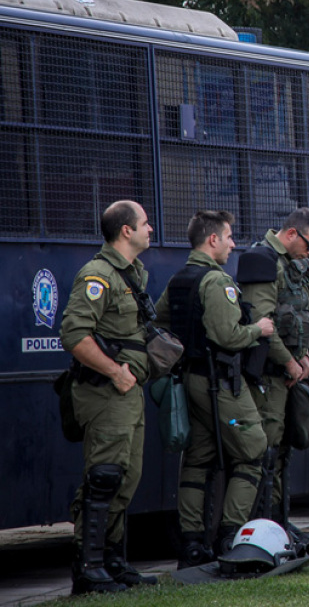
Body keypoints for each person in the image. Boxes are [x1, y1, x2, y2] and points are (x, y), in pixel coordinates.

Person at [156, 211, 275, 566]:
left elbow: (159, 322)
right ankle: (231, 536)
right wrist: (259, 329)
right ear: (213, 240)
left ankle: (192, 543)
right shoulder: (216, 281)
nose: (233, 244)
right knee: (254, 451)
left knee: (197, 459)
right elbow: (228, 336)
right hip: (220, 383)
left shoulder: (179, 279)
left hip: (190, 381)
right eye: (229, 237)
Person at [59, 200, 158, 594]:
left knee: (126, 478)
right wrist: (116, 372)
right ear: (126, 230)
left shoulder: (132, 274)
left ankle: (113, 562)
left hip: (128, 395)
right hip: (105, 393)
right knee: (104, 477)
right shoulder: (97, 275)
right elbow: (74, 335)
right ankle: (89, 567)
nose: (151, 229)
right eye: (145, 223)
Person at [236, 208, 309, 524]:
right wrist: (289, 362)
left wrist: (303, 356)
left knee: (284, 447)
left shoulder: (291, 265)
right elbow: (263, 324)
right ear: (290, 234)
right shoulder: (264, 261)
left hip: (289, 371)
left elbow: (304, 316)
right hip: (268, 374)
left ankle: (278, 521)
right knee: (267, 449)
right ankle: (261, 523)